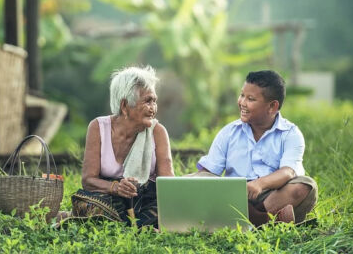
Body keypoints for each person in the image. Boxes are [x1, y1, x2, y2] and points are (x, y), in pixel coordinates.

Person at [194, 70, 317, 226]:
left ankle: (245, 218)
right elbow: (209, 171)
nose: (242, 102)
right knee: (201, 179)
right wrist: (188, 182)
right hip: (234, 195)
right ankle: (264, 220)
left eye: (250, 99)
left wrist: (259, 184)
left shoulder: (290, 134)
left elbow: (288, 172)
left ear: (272, 106)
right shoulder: (229, 132)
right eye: (242, 95)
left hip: (272, 196)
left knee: (305, 186)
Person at [68, 66, 174, 228]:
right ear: (124, 106)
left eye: (154, 101)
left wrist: (139, 187)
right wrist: (116, 187)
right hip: (110, 199)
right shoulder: (98, 127)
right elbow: (88, 180)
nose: (153, 108)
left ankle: (126, 224)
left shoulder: (158, 132)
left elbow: (168, 185)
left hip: (145, 200)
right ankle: (136, 226)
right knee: (90, 205)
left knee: (163, 211)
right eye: (147, 101)